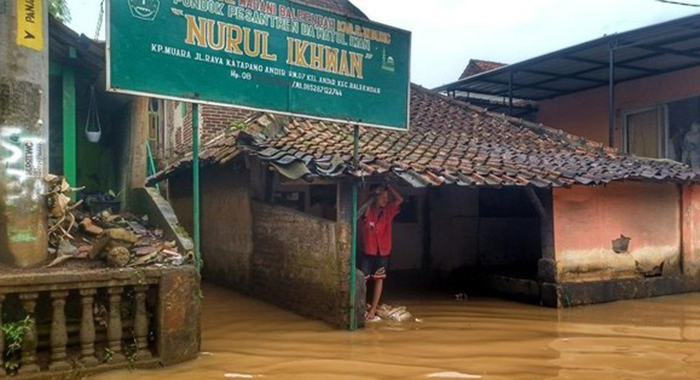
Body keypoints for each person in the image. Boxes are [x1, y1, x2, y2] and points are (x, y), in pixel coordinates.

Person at [360, 183, 403, 322]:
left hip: (383, 251)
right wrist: (372, 195)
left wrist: (389, 186)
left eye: (387, 197)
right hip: (368, 250)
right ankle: (361, 308)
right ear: (375, 198)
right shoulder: (368, 211)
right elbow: (364, 204)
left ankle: (372, 310)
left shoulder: (388, 211)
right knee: (363, 280)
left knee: (379, 279)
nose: (385, 200)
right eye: (382, 197)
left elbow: (399, 200)